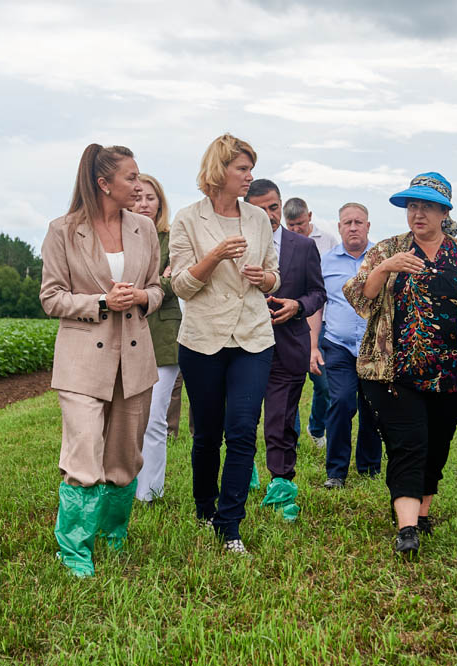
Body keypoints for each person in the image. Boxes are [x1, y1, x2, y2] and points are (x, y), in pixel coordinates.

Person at [344, 173, 457, 556]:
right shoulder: (388, 249)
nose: (418, 213)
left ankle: (423, 512)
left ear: (444, 211)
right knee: (408, 443)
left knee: (436, 445)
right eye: (412, 206)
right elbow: (360, 297)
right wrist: (386, 269)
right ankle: (407, 528)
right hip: (393, 372)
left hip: (452, 371)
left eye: (427, 206)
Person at [40, 144, 163, 577]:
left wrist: (144, 296)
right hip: (81, 362)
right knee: (83, 455)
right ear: (103, 183)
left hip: (134, 359)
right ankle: (74, 549)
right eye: (131, 177)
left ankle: (113, 536)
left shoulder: (144, 230)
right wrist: (101, 301)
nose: (139, 184)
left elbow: (157, 288)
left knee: (125, 457)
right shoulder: (62, 230)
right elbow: (51, 297)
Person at [169, 133, 280, 555]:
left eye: (250, 168)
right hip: (202, 340)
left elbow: (275, 274)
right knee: (207, 434)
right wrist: (214, 256)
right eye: (242, 169)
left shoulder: (257, 219)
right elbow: (181, 285)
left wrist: (265, 280)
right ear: (220, 170)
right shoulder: (187, 219)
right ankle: (204, 506)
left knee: (242, 432)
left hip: (253, 336)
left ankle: (229, 525)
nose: (249, 177)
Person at [244, 181, 326, 516]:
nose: (270, 215)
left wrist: (297, 305)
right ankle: (241, 473)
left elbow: (318, 293)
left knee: (280, 419)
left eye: (274, 207)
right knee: (241, 418)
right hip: (242, 344)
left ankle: (281, 485)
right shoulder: (237, 242)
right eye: (261, 209)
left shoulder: (303, 246)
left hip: (288, 343)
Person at [316, 203, 382, 488]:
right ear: (339, 227)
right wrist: (312, 347)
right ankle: (336, 472)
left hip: (374, 347)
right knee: (341, 402)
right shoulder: (326, 262)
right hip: (338, 345)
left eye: (358, 222)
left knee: (372, 406)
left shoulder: (383, 259)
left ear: (368, 226)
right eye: (347, 223)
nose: (353, 227)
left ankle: (369, 468)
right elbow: (317, 307)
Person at [132, 173, 181, 503]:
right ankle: (124, 486)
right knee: (125, 418)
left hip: (163, 336)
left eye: (150, 198)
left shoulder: (171, 239)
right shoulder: (118, 238)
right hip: (125, 335)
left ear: (160, 203)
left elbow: (173, 283)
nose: (143, 204)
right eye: (137, 197)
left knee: (153, 418)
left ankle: (149, 492)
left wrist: (151, 289)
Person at [284, 197, 335, 449]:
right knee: (290, 382)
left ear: (310, 216)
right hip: (289, 322)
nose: (296, 230)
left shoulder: (327, 241)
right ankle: (290, 437)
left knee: (323, 383)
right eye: (291, 225)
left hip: (320, 321)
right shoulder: (281, 241)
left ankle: (316, 427)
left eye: (300, 224)